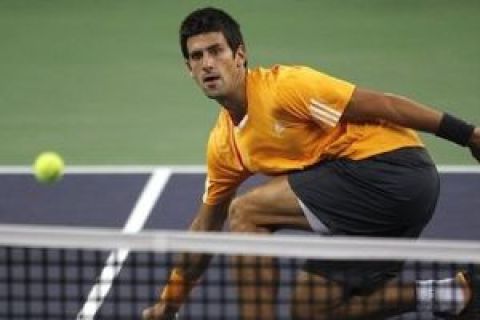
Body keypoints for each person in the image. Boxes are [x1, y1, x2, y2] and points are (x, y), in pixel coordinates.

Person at [143, 7, 480, 320]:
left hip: (391, 170)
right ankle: (453, 294)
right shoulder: (225, 146)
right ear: (189, 69)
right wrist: (169, 301)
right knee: (311, 309)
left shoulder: (284, 88)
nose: (207, 64)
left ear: (240, 55)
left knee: (246, 212)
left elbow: (383, 105)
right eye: (197, 56)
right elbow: (205, 229)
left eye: (216, 51)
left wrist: (467, 135)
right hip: (378, 209)